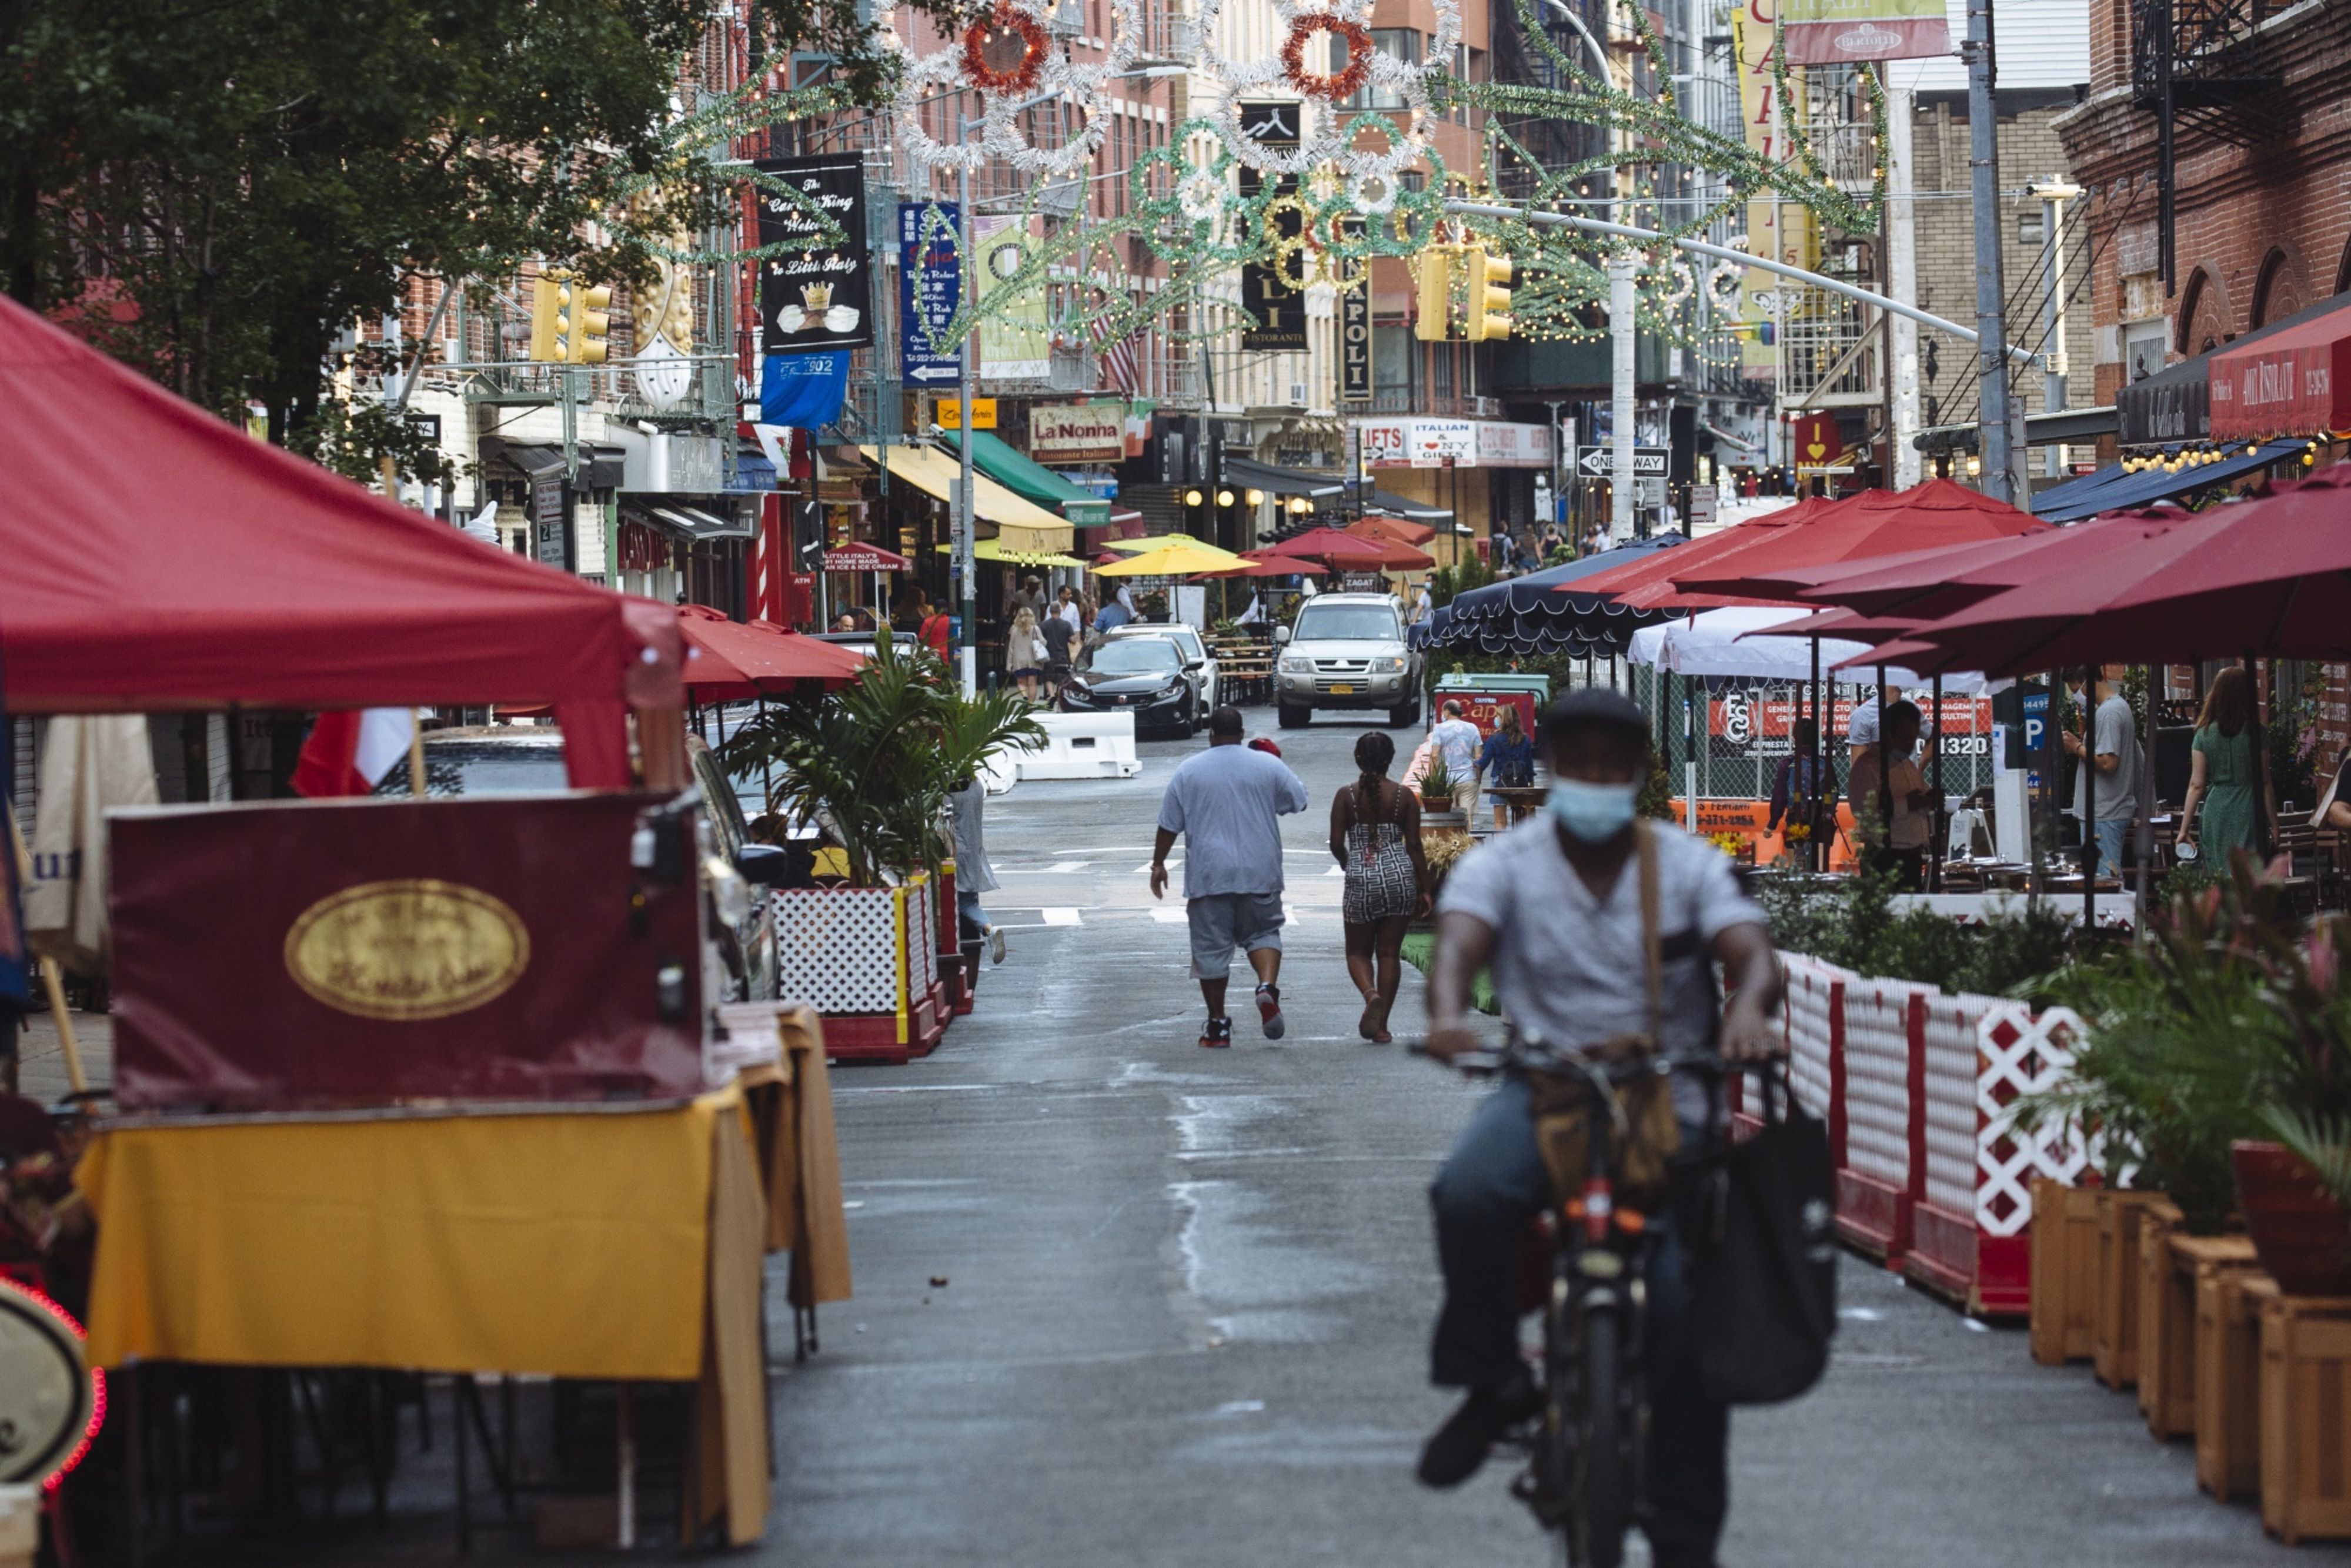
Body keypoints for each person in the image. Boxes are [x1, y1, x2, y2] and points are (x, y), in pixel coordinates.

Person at [1416, 689, 1784, 1568]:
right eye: (1575, 760)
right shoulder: (1509, 861)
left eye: (1610, 764)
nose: (1591, 777)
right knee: (1466, 1192)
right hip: (1545, 1086)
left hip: (1665, 1094)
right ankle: (1493, 1380)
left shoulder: (1684, 862)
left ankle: (1684, 1539)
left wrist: (1750, 1010)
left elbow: (1750, 950)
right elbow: (1460, 939)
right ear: (1551, 765)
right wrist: (1442, 1010)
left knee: (1686, 1323)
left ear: (1634, 774)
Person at [1150, 706, 1309, 1048]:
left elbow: (1168, 825)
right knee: (1264, 932)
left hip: (1210, 875)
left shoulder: (1188, 771)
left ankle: (1218, 1026)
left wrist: (1158, 864)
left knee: (1211, 951)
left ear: (1210, 734)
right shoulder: (1267, 764)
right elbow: (1298, 801)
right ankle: (1266, 987)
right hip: (1260, 871)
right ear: (1242, 732)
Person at [1331, 731, 1429, 1043]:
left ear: (1358, 758)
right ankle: (1382, 1026)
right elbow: (1414, 845)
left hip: (1362, 878)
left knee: (1357, 952)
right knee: (1389, 954)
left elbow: (1335, 844)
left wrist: (1350, 863)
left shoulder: (1346, 795)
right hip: (1400, 877)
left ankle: (1371, 994)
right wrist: (1425, 888)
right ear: (1390, 759)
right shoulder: (1404, 797)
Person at [2178, 665, 2267, 867]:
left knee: (2219, 873)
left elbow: (2197, 785)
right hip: (2249, 807)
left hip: (2216, 810)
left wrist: (2184, 830)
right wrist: (2275, 824)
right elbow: (2265, 782)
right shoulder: (2257, 732)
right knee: (2248, 876)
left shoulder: (2204, 734)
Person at [2061, 665, 2142, 877]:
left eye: (2076, 689)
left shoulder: (2109, 713)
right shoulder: (2115, 709)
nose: (2077, 696)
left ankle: (2113, 912)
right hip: (2106, 811)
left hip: (2104, 812)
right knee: (2104, 876)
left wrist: (2076, 748)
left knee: (2105, 880)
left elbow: (2108, 763)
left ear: (2088, 682)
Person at [1847, 699, 1933, 889]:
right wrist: (1907, 804)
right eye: (1904, 738)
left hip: (1911, 855)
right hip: (1885, 857)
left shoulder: (1907, 765)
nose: (1910, 745)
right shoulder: (1867, 767)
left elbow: (1920, 794)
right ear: (1887, 734)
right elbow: (1863, 811)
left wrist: (1929, 799)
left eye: (1914, 738)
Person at [950, 774, 1007, 967]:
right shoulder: (976, 785)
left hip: (955, 852)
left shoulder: (950, 791)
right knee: (969, 902)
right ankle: (990, 930)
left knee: (961, 904)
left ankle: (989, 930)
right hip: (974, 849)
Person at [1766, 717, 1835, 860]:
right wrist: (1829, 812)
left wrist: (1772, 824)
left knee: (1796, 869)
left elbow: (1779, 797)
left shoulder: (1788, 763)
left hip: (1796, 818)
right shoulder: (1825, 762)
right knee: (1821, 867)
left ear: (1794, 738)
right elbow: (1834, 791)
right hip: (1822, 820)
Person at [1474, 703, 1536, 831]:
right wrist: (1531, 783)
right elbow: (1529, 764)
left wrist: (1475, 765)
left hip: (1500, 782)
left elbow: (1484, 763)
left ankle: (1500, 845)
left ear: (1504, 719)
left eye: (1498, 716)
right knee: (1522, 819)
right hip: (1521, 782)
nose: (1495, 718)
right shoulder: (1525, 739)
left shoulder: (1494, 739)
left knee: (1500, 821)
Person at [1428, 699, 1482, 815]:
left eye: (1443, 711)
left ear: (1447, 712)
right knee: (1467, 818)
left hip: (1446, 780)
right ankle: (1467, 833)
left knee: (1449, 818)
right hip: (1468, 777)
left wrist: (1433, 780)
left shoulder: (1439, 729)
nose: (1443, 714)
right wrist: (1478, 778)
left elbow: (1435, 755)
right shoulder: (1473, 728)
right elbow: (1479, 757)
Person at [1004, 607, 1048, 703]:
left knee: (1021, 683)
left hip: (1019, 661)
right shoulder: (1035, 629)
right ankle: (1030, 704)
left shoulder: (1014, 630)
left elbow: (1011, 648)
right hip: (1033, 661)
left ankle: (1024, 695)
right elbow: (1044, 643)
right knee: (1032, 684)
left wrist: (1009, 664)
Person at [1038, 600, 1078, 698]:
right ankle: (1059, 695)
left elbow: (1039, 640)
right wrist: (1076, 635)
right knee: (1063, 678)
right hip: (1063, 656)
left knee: (1049, 678)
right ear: (1060, 611)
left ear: (1050, 611)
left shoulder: (1043, 625)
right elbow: (1073, 640)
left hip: (1048, 656)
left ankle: (1052, 695)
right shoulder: (1066, 624)